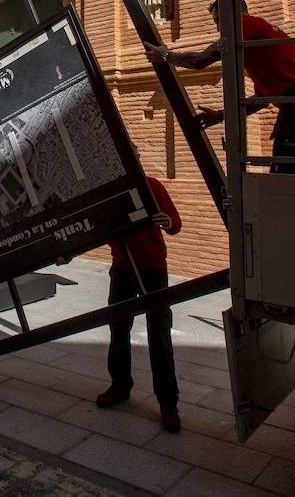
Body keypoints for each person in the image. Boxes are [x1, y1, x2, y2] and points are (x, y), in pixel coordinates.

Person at [147, 0, 295, 175]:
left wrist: (166, 56)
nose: (218, 28)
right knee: (289, 175)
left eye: (218, 21)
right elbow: (260, 101)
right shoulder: (255, 40)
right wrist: (221, 115)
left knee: (286, 179)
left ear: (230, 14)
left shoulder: (244, 26)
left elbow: (199, 61)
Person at [93, 174, 184, 432]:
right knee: (118, 328)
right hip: (121, 268)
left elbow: (175, 222)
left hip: (153, 269)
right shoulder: (107, 190)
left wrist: (168, 222)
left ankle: (168, 403)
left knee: (159, 334)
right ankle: (120, 386)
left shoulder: (151, 185)